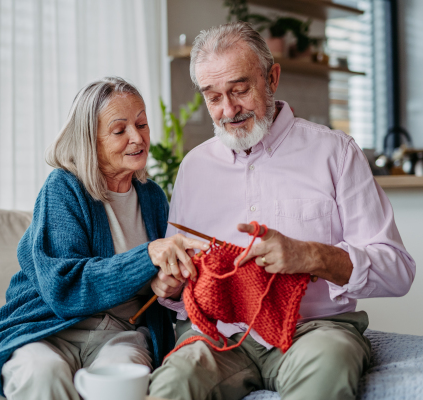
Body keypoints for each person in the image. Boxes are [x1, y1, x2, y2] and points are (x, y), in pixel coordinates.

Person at [149, 22, 416, 400]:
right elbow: (179, 295)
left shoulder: (335, 152)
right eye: (213, 97)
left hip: (313, 331)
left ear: (272, 77)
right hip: (220, 336)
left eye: (240, 90)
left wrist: (309, 255)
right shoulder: (193, 168)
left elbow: (397, 270)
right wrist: (171, 286)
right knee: (173, 383)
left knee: (331, 360)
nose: (228, 109)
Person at [0, 76, 209, 400]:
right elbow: (63, 286)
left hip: (121, 333)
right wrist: (147, 256)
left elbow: (158, 284)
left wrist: (167, 285)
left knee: (123, 381)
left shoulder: (152, 197)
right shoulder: (64, 189)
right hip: (48, 328)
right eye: (119, 129)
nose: (137, 137)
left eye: (141, 124)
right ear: (90, 139)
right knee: (43, 373)